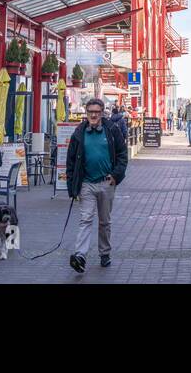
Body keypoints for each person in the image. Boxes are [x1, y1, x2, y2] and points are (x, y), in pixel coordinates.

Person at [65, 97, 128, 272]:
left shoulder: (111, 130)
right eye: (90, 112)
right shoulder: (79, 133)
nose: (93, 115)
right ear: (86, 113)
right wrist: (72, 187)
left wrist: (116, 176)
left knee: (104, 221)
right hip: (86, 184)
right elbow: (70, 162)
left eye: (96, 112)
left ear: (102, 113)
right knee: (85, 219)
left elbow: (123, 154)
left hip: (106, 183)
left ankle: (105, 253)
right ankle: (80, 256)